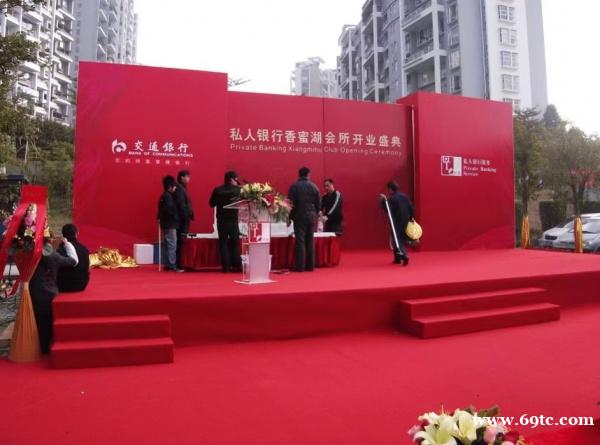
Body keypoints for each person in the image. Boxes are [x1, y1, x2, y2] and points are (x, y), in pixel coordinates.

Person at [30, 237, 78, 354]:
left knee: (37, 320)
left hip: (31, 291)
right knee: (46, 322)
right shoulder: (51, 255)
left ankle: (36, 346)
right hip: (48, 293)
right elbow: (73, 261)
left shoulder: (28, 253)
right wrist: (67, 244)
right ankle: (44, 347)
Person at [288, 167, 320, 272]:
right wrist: (315, 213)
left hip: (299, 216)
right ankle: (310, 266)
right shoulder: (314, 187)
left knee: (300, 241)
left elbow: (290, 204)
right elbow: (318, 203)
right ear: (308, 175)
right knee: (310, 241)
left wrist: (289, 217)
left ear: (299, 174)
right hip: (311, 217)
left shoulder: (294, 186)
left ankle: (300, 266)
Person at [209, 171, 242, 273]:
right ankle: (237, 266)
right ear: (232, 179)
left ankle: (226, 267)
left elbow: (211, 204)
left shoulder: (217, 190)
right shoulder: (238, 190)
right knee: (235, 243)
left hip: (221, 220)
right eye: (236, 179)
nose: (237, 182)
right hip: (233, 220)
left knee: (223, 243)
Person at [380, 181, 414, 266]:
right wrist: (411, 218)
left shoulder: (392, 199)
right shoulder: (405, 197)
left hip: (396, 221)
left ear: (390, 189)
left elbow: (388, 210)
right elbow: (411, 208)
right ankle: (397, 259)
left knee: (397, 239)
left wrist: (383, 201)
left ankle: (404, 256)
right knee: (401, 238)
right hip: (406, 220)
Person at [158, 175, 182, 272]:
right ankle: (172, 265)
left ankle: (167, 264)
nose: (175, 188)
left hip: (165, 223)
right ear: (170, 186)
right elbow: (170, 211)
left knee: (167, 244)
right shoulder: (168, 197)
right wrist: (176, 217)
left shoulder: (163, 196)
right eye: (174, 186)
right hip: (170, 224)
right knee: (172, 244)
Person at [57, 224, 90, 292]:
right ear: (77, 233)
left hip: (63, 286)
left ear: (63, 235)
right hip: (82, 285)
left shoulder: (61, 249)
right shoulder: (84, 248)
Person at [173, 170, 194, 269]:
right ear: (182, 177)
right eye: (187, 176)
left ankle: (179, 263)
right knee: (180, 241)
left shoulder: (182, 188)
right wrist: (186, 215)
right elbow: (181, 204)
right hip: (182, 220)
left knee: (181, 241)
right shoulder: (179, 188)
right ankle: (178, 263)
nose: (189, 179)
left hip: (183, 219)